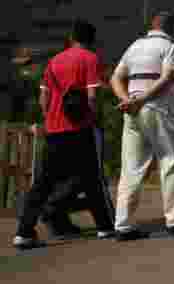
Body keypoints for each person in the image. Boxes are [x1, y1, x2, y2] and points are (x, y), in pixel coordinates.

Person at [12, 20, 116, 249]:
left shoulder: (54, 61)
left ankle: (24, 233)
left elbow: (43, 99)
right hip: (81, 130)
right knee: (93, 180)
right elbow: (92, 97)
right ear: (91, 39)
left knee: (42, 184)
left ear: (71, 38)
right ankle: (105, 227)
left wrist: (51, 119)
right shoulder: (90, 58)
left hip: (54, 130)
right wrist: (93, 118)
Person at [110, 10, 174, 240]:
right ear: (170, 27)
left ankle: (123, 225)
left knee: (131, 167)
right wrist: (142, 99)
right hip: (157, 108)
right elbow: (167, 78)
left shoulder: (135, 45)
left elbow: (115, 77)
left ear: (151, 26)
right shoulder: (171, 45)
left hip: (131, 111)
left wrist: (126, 100)